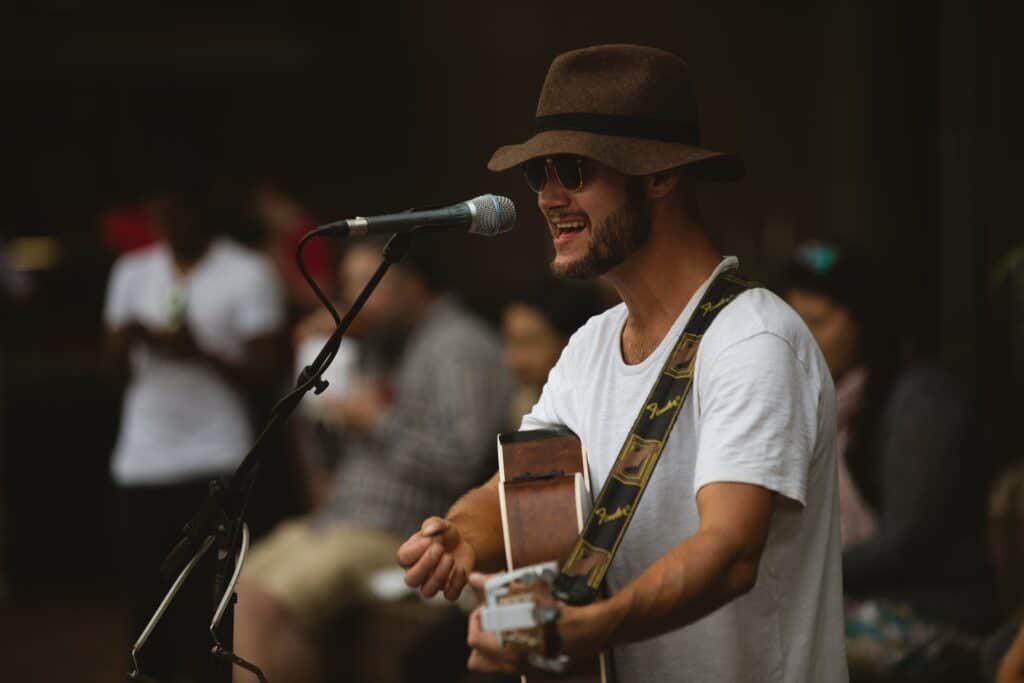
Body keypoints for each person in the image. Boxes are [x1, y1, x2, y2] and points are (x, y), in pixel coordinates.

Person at [398, 44, 847, 682]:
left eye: (574, 170)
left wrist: (589, 627)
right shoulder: (589, 348)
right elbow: (526, 491)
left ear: (660, 174)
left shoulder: (754, 342)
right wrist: (461, 536)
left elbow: (730, 553)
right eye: (539, 174)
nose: (548, 197)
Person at [232, 239, 514, 683]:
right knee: (235, 591)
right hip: (339, 519)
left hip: (399, 530)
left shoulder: (458, 345)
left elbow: (462, 460)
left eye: (368, 286)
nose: (352, 302)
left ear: (413, 284)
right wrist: (312, 365)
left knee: (260, 601)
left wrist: (375, 421)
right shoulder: (380, 347)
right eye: (347, 287)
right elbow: (323, 459)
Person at [103, 168, 287, 680]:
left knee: (211, 606)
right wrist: (124, 344)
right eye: (155, 214)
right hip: (142, 461)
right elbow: (112, 370)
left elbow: (270, 372)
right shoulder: (132, 272)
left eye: (175, 212)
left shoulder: (246, 272)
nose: (165, 224)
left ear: (200, 210)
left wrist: (198, 351)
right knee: (147, 601)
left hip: (215, 459)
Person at [784, 241, 996, 678]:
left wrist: (799, 573)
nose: (802, 339)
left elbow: (906, 543)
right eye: (795, 322)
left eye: (819, 322)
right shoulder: (826, 403)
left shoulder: (919, 400)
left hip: (933, 609)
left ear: (862, 323)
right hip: (859, 599)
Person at [501, 280, 607, 426]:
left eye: (529, 342)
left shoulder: (598, 408)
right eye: (510, 341)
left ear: (570, 340)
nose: (513, 358)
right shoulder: (523, 403)